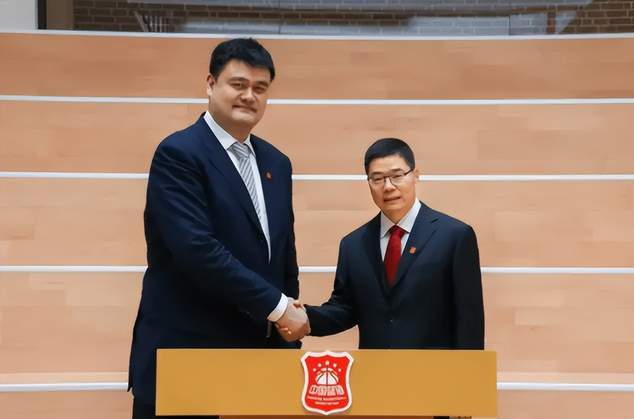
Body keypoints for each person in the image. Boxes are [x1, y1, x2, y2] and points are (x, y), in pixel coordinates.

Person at [128, 38, 309, 419]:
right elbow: (198, 251)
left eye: (260, 88)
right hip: (188, 357)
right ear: (210, 84)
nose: (249, 96)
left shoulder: (277, 163)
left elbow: (283, 254)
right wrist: (280, 309)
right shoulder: (179, 154)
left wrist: (287, 332)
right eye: (238, 84)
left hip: (257, 362)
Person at [280, 138, 484, 418]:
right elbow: (344, 308)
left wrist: (467, 394)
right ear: (369, 183)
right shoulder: (353, 244)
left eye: (397, 175)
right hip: (374, 388)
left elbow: (469, 321)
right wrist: (304, 319)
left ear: (415, 175)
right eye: (377, 179)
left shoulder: (455, 236)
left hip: (435, 388)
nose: (388, 186)